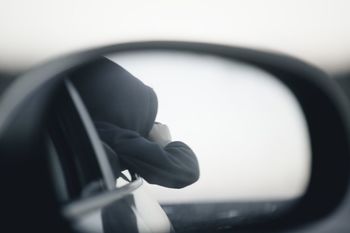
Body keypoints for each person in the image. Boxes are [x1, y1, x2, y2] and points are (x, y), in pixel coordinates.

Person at [71, 57, 199, 188]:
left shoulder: (83, 131)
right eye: (143, 120)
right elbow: (187, 171)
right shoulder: (106, 135)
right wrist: (165, 142)